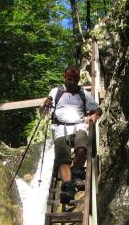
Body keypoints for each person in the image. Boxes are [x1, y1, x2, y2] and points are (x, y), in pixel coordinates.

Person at [42, 67, 102, 204]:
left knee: (81, 148)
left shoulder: (83, 93)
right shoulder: (56, 92)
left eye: (75, 80)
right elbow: (44, 112)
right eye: (70, 79)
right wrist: (44, 106)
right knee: (63, 159)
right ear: (65, 78)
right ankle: (68, 188)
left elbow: (97, 108)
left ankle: (76, 173)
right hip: (60, 128)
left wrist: (95, 115)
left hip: (79, 126)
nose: (72, 82)